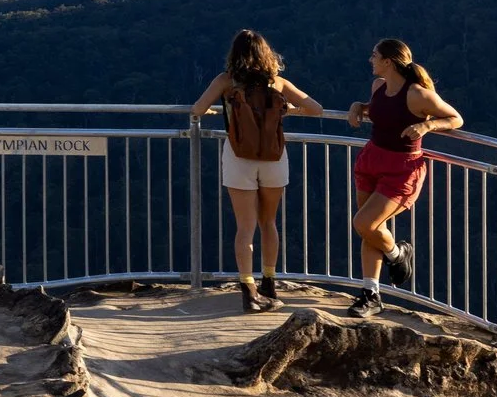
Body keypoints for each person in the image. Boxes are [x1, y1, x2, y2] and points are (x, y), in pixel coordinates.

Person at [190, 29, 326, 312]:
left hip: (239, 157)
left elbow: (197, 109)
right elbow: (316, 109)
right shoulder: (277, 82)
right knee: (269, 223)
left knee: (245, 228)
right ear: (266, 54)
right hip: (274, 157)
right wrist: (287, 108)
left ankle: (248, 290)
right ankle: (270, 281)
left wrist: (221, 110)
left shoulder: (226, 82)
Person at [344, 37, 463, 317]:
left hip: (401, 168)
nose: (370, 60)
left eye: (374, 55)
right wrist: (357, 106)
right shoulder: (378, 87)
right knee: (368, 228)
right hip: (371, 159)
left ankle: (398, 255)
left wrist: (428, 124)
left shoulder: (418, 94)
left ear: (388, 61)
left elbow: (455, 118)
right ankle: (371, 293)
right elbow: (379, 110)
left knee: (365, 222)